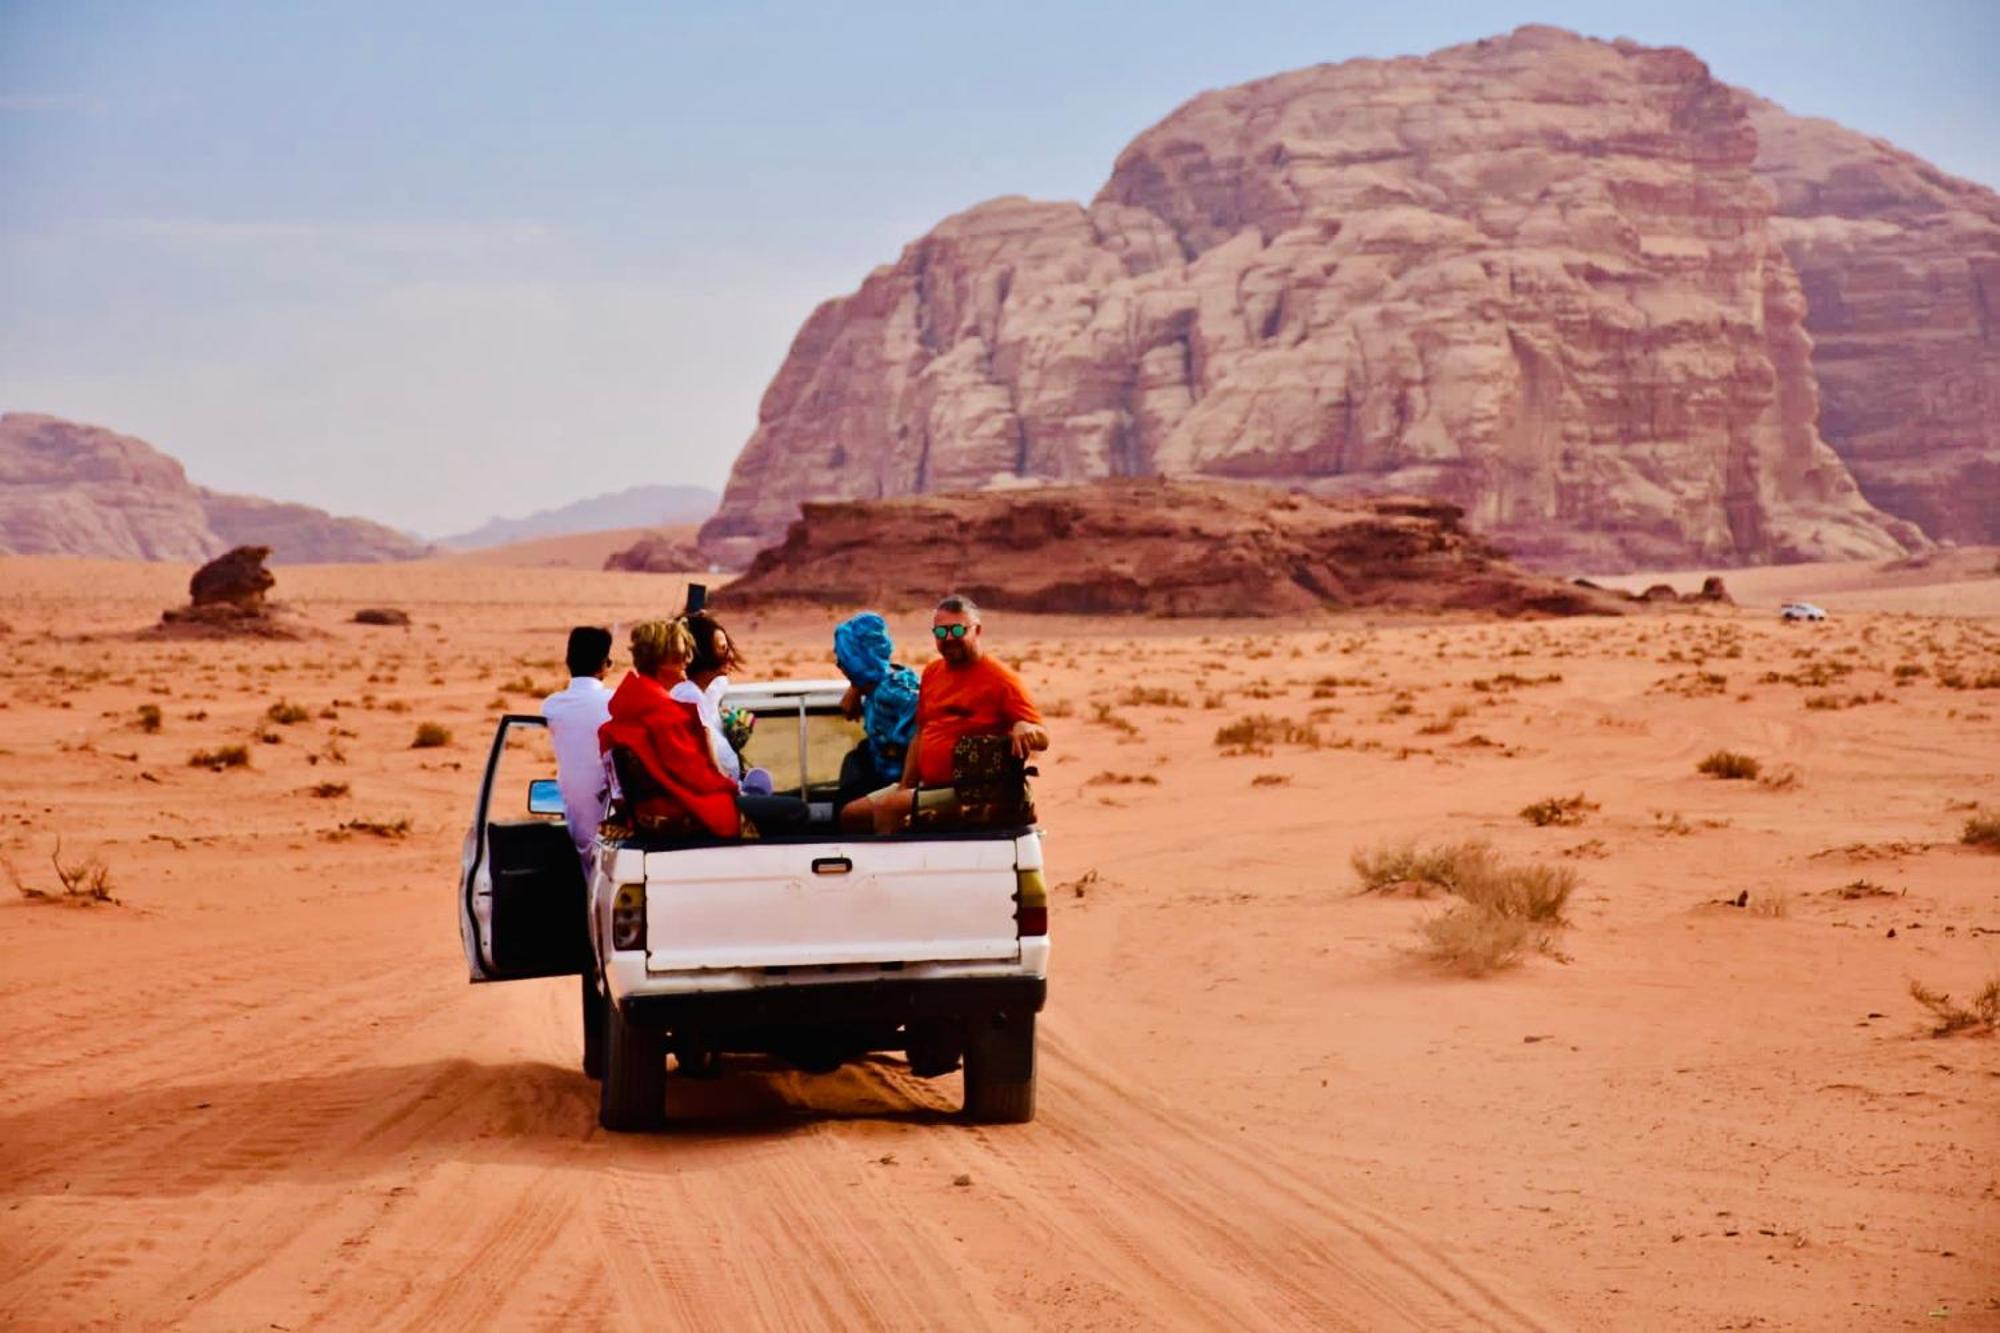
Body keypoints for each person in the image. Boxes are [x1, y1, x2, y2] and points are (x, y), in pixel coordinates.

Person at [841, 595, 1049, 834]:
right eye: (941, 632)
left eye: (957, 630)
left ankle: (893, 870)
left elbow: (1042, 736)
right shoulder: (932, 672)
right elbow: (921, 733)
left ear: (977, 630)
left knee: (890, 808)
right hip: (928, 786)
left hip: (969, 789)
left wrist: (1025, 727)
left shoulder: (1001, 679)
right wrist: (906, 786)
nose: (949, 638)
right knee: (852, 815)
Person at [599, 619, 805, 836]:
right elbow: (695, 775)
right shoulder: (664, 714)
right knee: (796, 811)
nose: (688, 660)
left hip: (652, 813)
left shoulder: (628, 710)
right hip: (688, 809)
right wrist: (732, 789)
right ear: (663, 661)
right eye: (681, 655)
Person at [542, 626, 614, 874]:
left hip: (577, 820)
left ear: (568, 661)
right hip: (614, 819)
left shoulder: (552, 707)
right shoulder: (615, 703)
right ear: (606, 664)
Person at [831, 611, 920, 808]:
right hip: (878, 771)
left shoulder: (896, 693)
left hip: (899, 784)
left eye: (843, 659)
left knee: (848, 814)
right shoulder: (874, 683)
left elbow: (922, 730)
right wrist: (855, 687)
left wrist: (904, 789)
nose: (839, 665)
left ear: (858, 659)